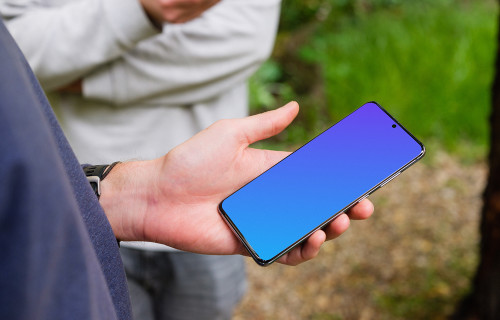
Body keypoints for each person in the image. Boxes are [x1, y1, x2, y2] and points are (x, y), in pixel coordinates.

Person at [0, 18, 374, 319]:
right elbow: (16, 44)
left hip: (205, 200)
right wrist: (140, 12)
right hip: (69, 211)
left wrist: (83, 75)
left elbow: (243, 39)